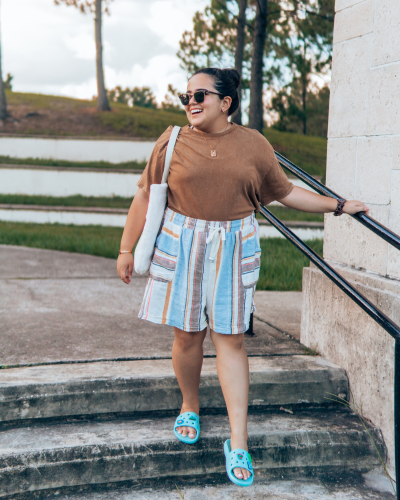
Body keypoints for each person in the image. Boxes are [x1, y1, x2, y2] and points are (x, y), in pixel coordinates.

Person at [117, 67, 369, 487]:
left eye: (200, 95)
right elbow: (145, 193)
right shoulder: (172, 140)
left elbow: (285, 192)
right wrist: (127, 249)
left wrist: (338, 206)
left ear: (226, 102)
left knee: (230, 340)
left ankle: (238, 440)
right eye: (187, 96)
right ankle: (190, 404)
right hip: (182, 244)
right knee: (186, 335)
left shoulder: (253, 144)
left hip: (234, 247)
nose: (191, 103)